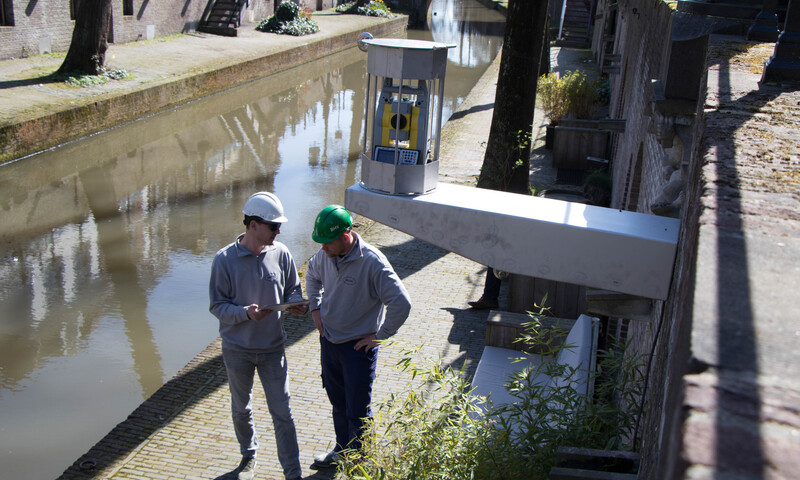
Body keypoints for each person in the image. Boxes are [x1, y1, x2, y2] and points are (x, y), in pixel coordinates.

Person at [209, 191, 308, 480]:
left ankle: (292, 472)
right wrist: (245, 313)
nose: (279, 231)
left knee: (283, 412)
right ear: (253, 225)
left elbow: (293, 290)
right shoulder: (224, 260)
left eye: (279, 226)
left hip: (272, 349)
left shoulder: (282, 253)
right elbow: (217, 306)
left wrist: (296, 304)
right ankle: (249, 455)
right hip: (237, 350)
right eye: (274, 226)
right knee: (241, 408)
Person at [305, 205, 412, 469]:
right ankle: (342, 451)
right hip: (329, 342)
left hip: (357, 350)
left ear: (345, 236)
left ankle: (362, 462)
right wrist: (315, 307)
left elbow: (401, 303)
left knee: (358, 409)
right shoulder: (324, 255)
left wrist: (380, 336)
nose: (322, 248)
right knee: (338, 403)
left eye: (326, 242)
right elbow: (312, 275)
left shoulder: (373, 262)